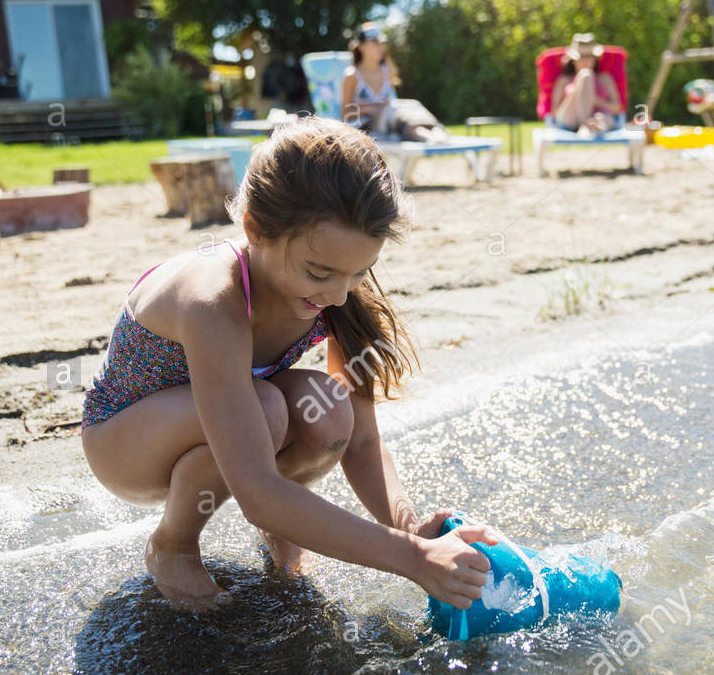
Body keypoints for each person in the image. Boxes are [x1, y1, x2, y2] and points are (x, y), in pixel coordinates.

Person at [80, 118, 496, 612]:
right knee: (268, 410)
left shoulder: (333, 287)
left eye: (361, 272)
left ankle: (284, 523)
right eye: (320, 273)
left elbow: (360, 440)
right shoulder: (212, 298)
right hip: (126, 444)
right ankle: (172, 543)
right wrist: (413, 558)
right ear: (254, 227)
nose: (339, 294)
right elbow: (255, 488)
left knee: (330, 412)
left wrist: (410, 528)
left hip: (229, 422)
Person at [341, 23, 449, 143]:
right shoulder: (352, 75)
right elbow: (346, 113)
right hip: (367, 126)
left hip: (389, 119)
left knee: (413, 104)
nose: (380, 47)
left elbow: (391, 103)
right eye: (374, 42)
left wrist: (384, 107)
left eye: (381, 43)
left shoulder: (388, 71)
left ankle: (435, 129)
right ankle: (426, 136)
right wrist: (372, 108)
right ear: (361, 46)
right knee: (392, 111)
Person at [550, 33, 625, 137]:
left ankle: (593, 127)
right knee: (586, 75)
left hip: (599, 115)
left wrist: (595, 100)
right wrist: (578, 96)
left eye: (589, 57)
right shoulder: (564, 80)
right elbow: (554, 112)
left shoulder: (605, 78)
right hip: (570, 118)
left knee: (601, 117)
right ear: (574, 60)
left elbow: (617, 108)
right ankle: (585, 124)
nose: (585, 61)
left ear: (595, 58)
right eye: (581, 57)